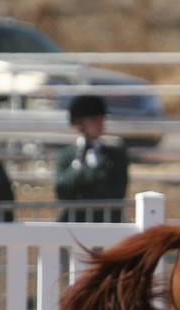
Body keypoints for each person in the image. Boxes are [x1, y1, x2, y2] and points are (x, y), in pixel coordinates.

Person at [54, 94, 129, 222]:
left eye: (102, 119)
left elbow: (117, 192)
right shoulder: (66, 154)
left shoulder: (116, 154)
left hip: (109, 221)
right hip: (75, 221)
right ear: (79, 123)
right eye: (94, 120)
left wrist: (80, 195)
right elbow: (62, 190)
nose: (100, 124)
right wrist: (78, 165)